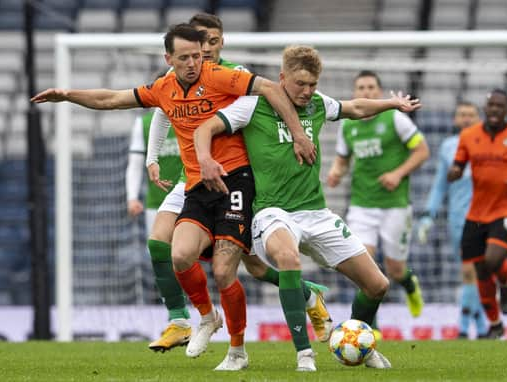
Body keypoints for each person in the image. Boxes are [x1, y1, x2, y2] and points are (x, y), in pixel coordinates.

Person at [31, 23, 317, 371]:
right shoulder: (163, 88)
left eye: (197, 55)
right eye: (185, 57)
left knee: (227, 271)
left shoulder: (220, 76)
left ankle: (238, 351)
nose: (193, 63)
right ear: (169, 58)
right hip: (197, 186)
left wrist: (300, 135)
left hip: (235, 183)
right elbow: (111, 99)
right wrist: (66, 95)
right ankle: (207, 317)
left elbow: (271, 87)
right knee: (178, 255)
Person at [194, 45, 421, 371]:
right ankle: (304, 354)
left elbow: (354, 106)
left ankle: (358, 341)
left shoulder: (317, 104)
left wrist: (393, 104)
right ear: (282, 77)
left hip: (316, 212)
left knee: (378, 285)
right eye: (300, 84)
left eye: (313, 84)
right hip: (272, 211)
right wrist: (205, 159)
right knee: (287, 258)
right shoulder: (252, 106)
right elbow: (206, 128)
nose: (307, 91)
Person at [140, 14, 332, 353]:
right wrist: (151, 157)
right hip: (194, 175)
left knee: (252, 265)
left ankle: (304, 294)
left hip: (234, 175)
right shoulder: (180, 74)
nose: (207, 49)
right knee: (160, 241)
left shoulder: (233, 73)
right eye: (201, 43)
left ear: (221, 42)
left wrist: (297, 136)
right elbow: (160, 109)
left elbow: (270, 99)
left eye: (213, 42)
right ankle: (181, 320)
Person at [326, 70, 429, 337]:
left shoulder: (395, 118)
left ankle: (408, 284)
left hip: (395, 205)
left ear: (379, 93)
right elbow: (342, 158)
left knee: (395, 269)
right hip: (362, 205)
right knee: (366, 267)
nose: (366, 92)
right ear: (354, 93)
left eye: (371, 87)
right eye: (361, 87)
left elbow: (422, 150)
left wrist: (397, 173)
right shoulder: (348, 124)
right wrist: (336, 172)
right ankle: (372, 325)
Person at [447, 89, 507, 339]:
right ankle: (496, 325)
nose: (495, 110)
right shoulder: (469, 136)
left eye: (500, 106)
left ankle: (506, 284)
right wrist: (455, 172)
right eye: (491, 105)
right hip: (477, 212)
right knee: (479, 270)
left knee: (491, 260)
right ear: (486, 108)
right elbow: (458, 164)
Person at [416, 101, 489, 339]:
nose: (466, 118)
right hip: (459, 220)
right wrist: (428, 215)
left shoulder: (489, 146)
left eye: (471, 114)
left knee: (479, 272)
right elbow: (439, 186)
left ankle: (466, 327)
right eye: (462, 115)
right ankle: (479, 328)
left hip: (488, 217)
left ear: (478, 119)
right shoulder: (448, 147)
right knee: (471, 273)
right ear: (455, 120)